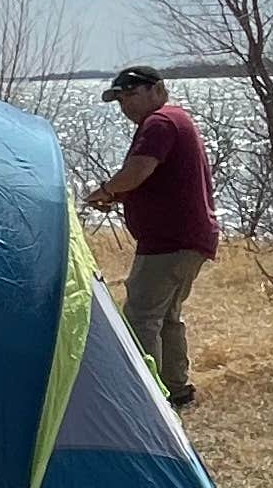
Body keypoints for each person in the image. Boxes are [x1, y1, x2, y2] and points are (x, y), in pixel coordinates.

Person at [83, 63, 215, 410]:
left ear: (158, 90)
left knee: (141, 316)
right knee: (167, 317)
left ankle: (145, 398)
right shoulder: (174, 121)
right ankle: (175, 388)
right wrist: (120, 195)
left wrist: (106, 191)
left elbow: (139, 169)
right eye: (120, 99)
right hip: (188, 239)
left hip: (168, 243)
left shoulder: (158, 122)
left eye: (131, 95)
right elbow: (153, 178)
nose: (125, 105)